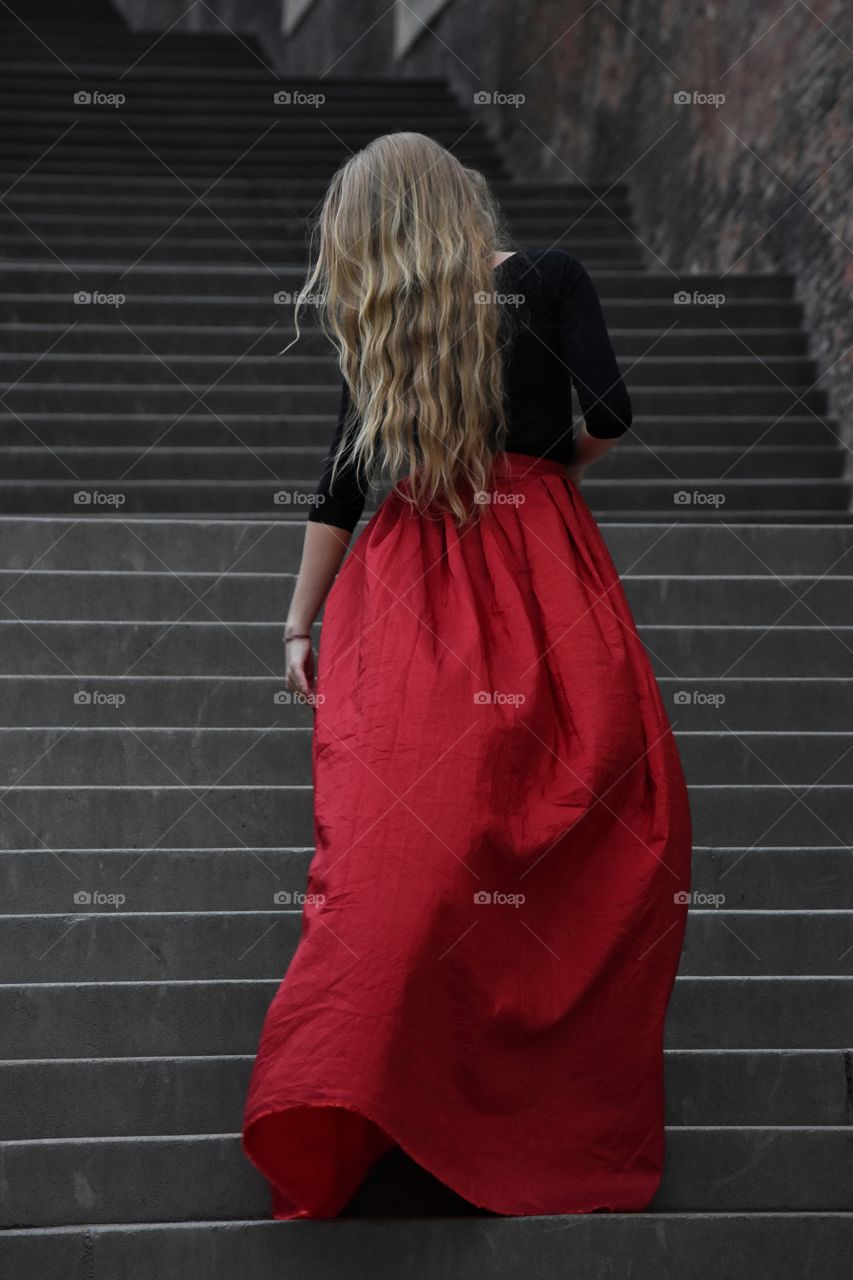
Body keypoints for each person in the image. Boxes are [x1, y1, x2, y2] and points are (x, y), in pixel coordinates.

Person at [241, 131, 692, 1220]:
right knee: (583, 811)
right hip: (537, 560)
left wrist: (298, 626)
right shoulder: (549, 278)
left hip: (404, 588)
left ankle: (363, 1090)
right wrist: (535, 466)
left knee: (406, 836)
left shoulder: (394, 319)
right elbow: (613, 413)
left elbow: (340, 487)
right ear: (461, 197)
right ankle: (514, 1110)